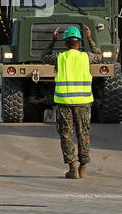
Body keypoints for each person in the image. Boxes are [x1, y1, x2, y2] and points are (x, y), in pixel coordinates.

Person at [42, 25, 101, 179]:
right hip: (83, 102)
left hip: (65, 103)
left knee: (66, 135)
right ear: (79, 43)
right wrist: (90, 39)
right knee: (83, 134)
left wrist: (52, 41)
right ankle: (83, 167)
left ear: (65, 43)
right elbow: (99, 55)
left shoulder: (60, 57)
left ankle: (72, 168)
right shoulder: (86, 57)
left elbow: (44, 56)